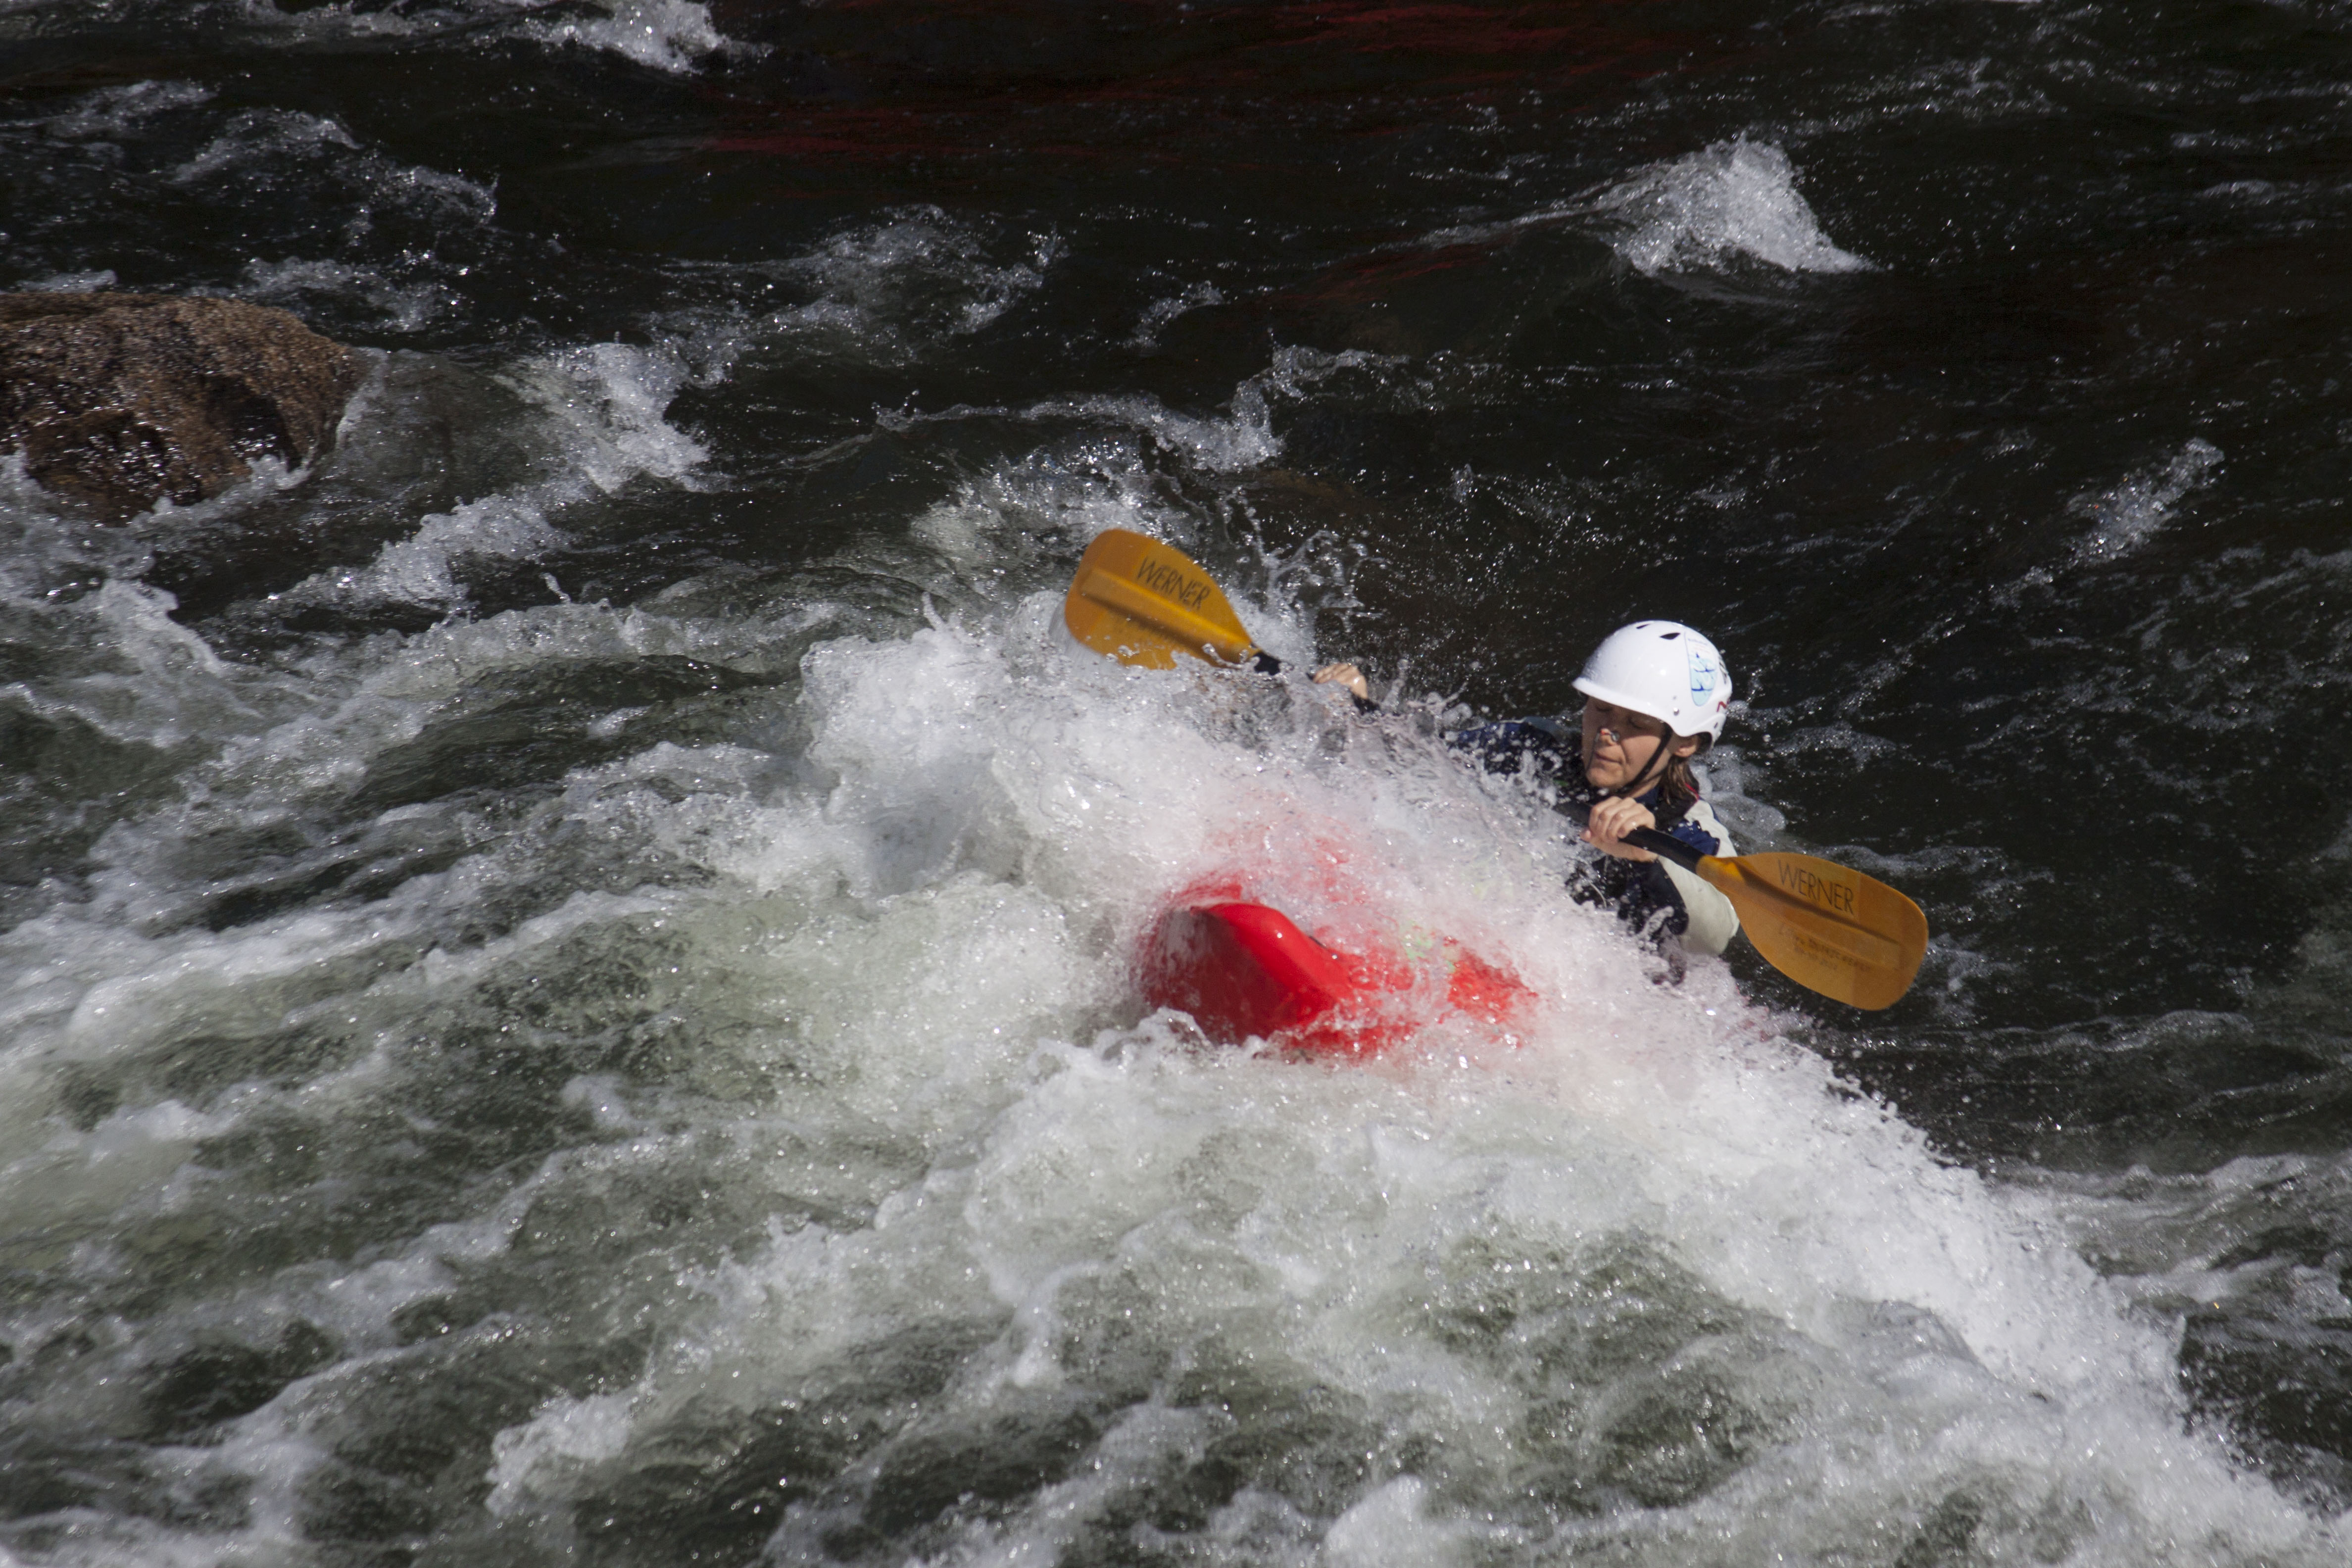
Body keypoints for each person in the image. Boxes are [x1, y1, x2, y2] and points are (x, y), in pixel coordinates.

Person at [1314, 621, 1740, 956]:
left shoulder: (1690, 828)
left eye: (1636, 724)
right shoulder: (1535, 748)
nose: (1607, 733)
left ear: (1686, 743)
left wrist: (1648, 858)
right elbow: (1421, 758)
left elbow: (1716, 936)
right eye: (1601, 709)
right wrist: (1357, 710)